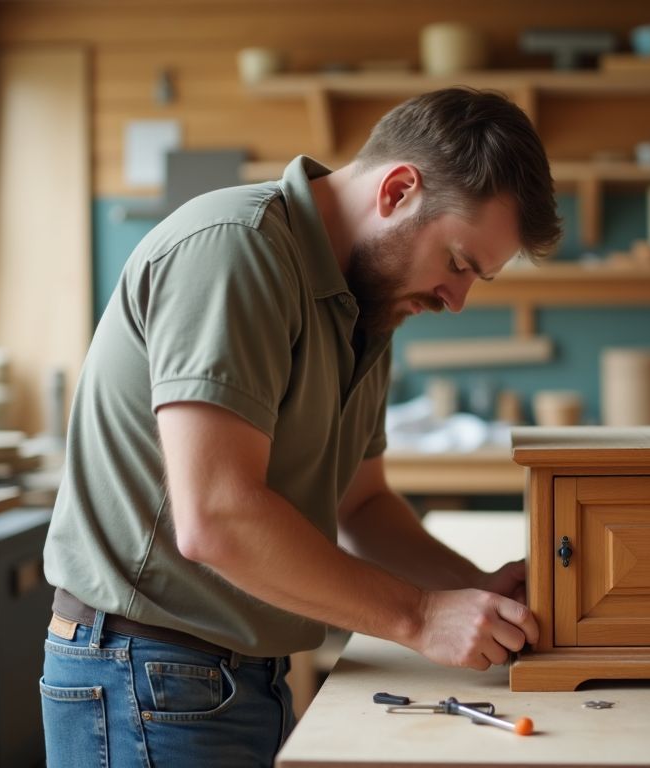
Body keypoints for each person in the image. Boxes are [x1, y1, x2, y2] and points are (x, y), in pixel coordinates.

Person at [39, 87, 562, 767]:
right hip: (146, 672)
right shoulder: (237, 251)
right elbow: (218, 518)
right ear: (398, 190)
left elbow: (363, 506)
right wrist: (422, 619)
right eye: (459, 263)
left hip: (230, 676)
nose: (455, 300)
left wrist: (470, 592)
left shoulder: (364, 308)